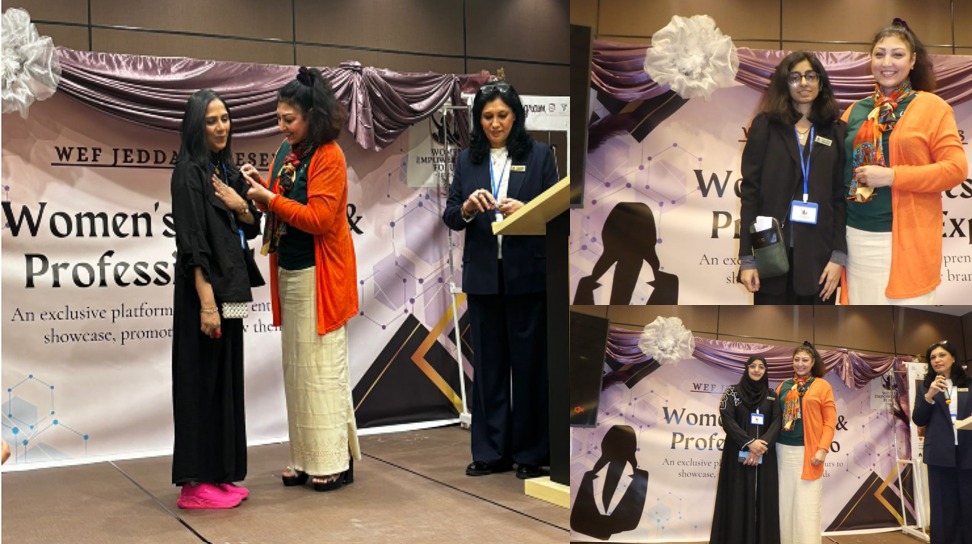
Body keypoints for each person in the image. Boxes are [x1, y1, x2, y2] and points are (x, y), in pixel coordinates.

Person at [243, 67, 359, 492]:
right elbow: (282, 202)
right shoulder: (286, 151)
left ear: (312, 115)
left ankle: (333, 462)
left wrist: (269, 198)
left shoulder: (329, 155)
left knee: (322, 371)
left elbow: (319, 219)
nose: (282, 126)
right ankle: (305, 458)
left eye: (288, 119)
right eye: (278, 118)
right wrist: (262, 188)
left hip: (319, 275)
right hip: (290, 271)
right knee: (298, 372)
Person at [442, 81, 557, 479]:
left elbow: (558, 213)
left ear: (516, 116)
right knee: (489, 368)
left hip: (529, 275)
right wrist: (468, 208)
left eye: (502, 115)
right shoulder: (466, 160)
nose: (495, 123)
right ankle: (491, 452)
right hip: (484, 277)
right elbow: (451, 215)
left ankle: (531, 453)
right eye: (487, 116)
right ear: (478, 120)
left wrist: (528, 209)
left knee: (529, 367)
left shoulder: (540, 155)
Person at [170, 89, 262, 509]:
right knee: (201, 383)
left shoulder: (223, 168)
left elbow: (252, 222)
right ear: (196, 125)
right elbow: (192, 243)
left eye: (224, 118)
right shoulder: (188, 171)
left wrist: (240, 204)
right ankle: (195, 484)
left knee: (225, 382)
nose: (221, 126)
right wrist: (207, 304)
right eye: (211, 120)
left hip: (233, 289)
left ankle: (220, 475)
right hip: (204, 294)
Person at [841, 19, 968, 304]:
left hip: (909, 241)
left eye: (897, 54)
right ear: (871, 59)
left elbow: (956, 169)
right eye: (879, 54)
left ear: (912, 61)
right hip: (855, 238)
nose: (887, 62)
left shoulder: (932, 107)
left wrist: (892, 176)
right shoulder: (854, 111)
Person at [738, 51, 846, 305]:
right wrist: (747, 259)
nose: (804, 83)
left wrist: (838, 257)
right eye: (795, 77)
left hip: (820, 262)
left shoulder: (837, 131)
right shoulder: (765, 126)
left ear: (821, 82)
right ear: (784, 84)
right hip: (770, 253)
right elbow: (750, 195)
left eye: (810, 76)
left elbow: (841, 199)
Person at [710, 356, 781, 544]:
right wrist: (749, 443)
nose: (757, 370)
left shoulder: (772, 396)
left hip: (765, 457)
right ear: (747, 368)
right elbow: (727, 420)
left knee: (764, 501)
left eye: (761, 367)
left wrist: (760, 447)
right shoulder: (732, 393)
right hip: (737, 455)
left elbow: (777, 423)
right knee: (736, 499)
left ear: (765, 371)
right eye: (753, 366)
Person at [911, 340, 972, 544]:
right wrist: (929, 396)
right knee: (943, 507)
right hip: (939, 454)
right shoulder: (925, 387)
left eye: (942, 355)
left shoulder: (969, 384)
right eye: (933, 357)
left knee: (968, 503)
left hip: (968, 452)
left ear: (953, 358)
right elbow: (918, 419)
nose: (937, 360)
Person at [775, 342, 835, 544]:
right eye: (797, 359)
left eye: (805, 360)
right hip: (781, 451)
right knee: (784, 504)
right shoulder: (783, 386)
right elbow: (773, 416)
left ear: (813, 362)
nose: (800, 364)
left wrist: (822, 449)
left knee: (806, 506)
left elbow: (829, 422)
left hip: (808, 453)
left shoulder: (822, 386)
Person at [570, 425, 649, 541]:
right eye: (613, 442)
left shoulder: (640, 477)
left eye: (622, 444)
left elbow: (632, 522)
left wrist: (598, 526)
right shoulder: (589, 476)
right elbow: (576, 521)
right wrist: (606, 526)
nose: (617, 447)